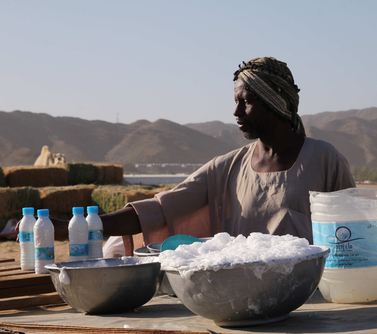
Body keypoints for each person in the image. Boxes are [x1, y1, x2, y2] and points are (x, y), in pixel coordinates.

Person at [23, 57, 356, 255]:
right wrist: (79, 227)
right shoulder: (227, 168)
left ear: (275, 100)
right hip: (246, 298)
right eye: (235, 100)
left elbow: (355, 235)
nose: (236, 111)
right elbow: (160, 208)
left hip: (315, 303)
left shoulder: (325, 160)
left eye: (246, 101)